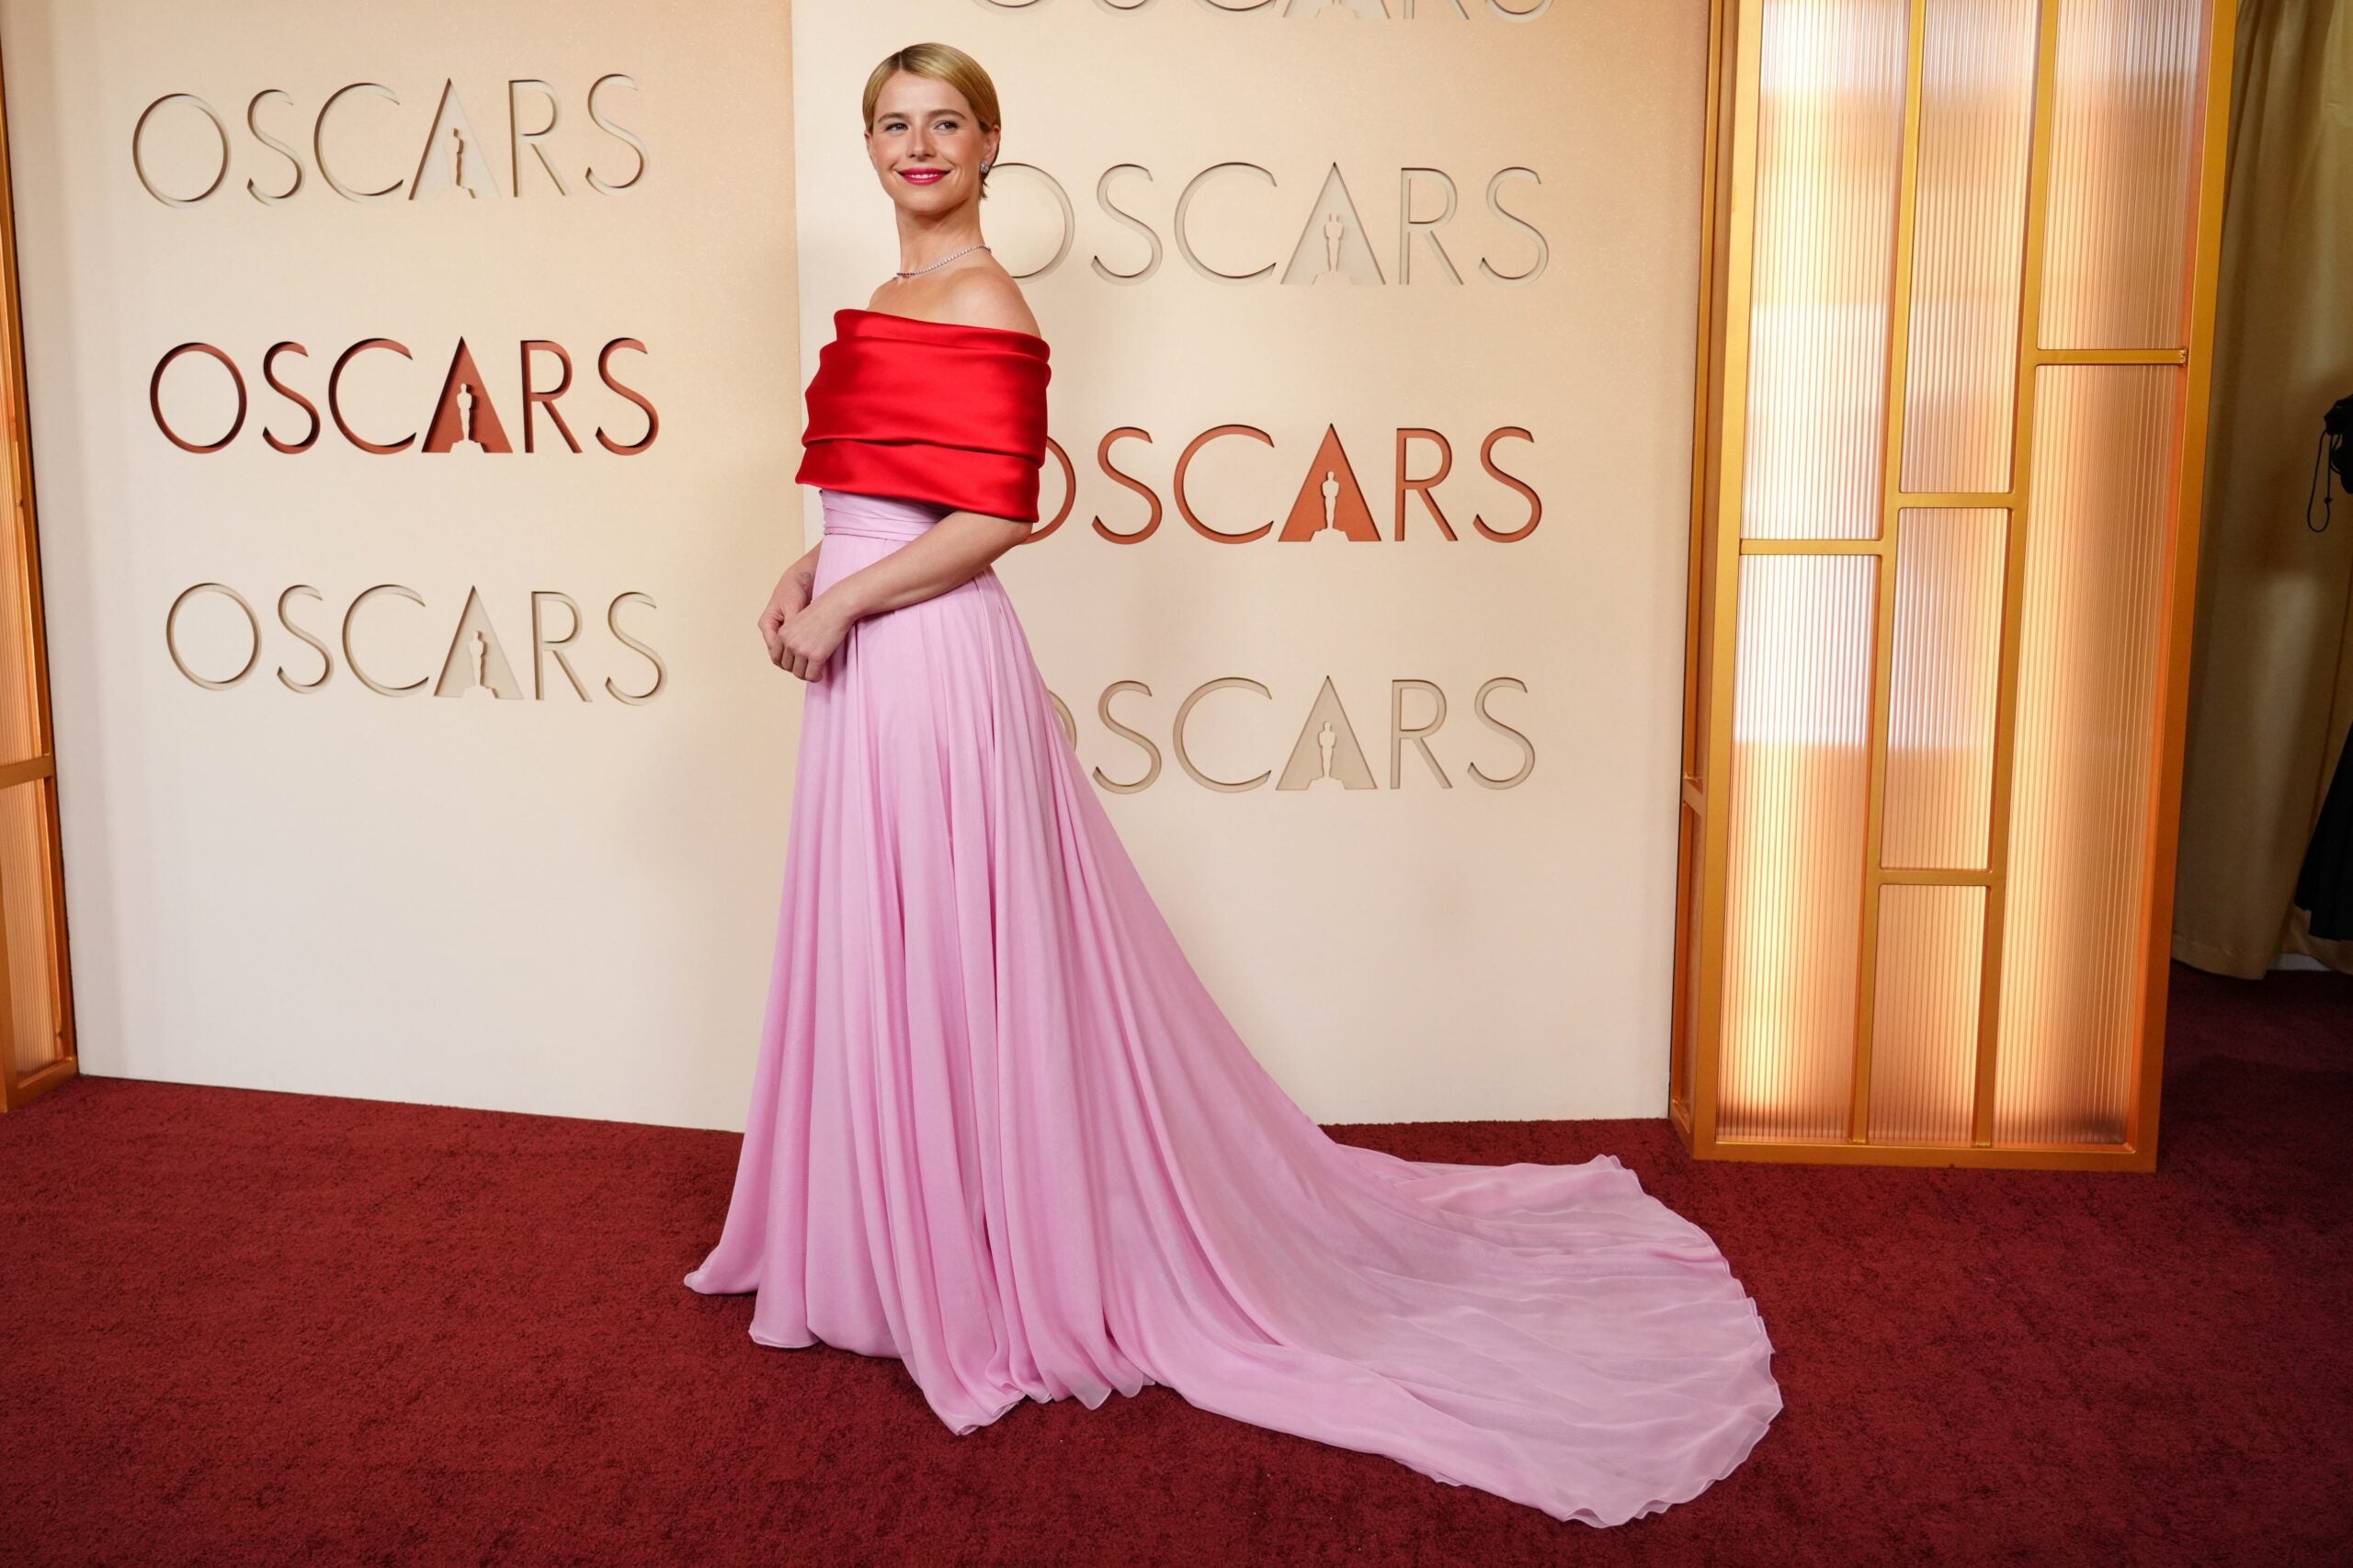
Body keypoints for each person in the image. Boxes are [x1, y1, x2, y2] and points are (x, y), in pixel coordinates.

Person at [685, 41, 1782, 1528]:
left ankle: (985, 1256)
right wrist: (813, 561)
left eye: (947, 123)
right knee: (895, 951)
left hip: (931, 669)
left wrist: (851, 605)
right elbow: (886, 488)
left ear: (992, 145)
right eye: (895, 124)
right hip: (871, 645)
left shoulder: (989, 294)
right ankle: (901, 1240)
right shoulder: (886, 299)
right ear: (870, 146)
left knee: (957, 949)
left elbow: (1000, 512)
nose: (920, 145)